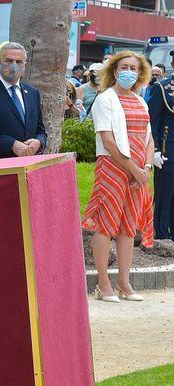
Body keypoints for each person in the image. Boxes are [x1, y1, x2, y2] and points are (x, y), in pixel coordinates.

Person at [86, 51, 156, 303]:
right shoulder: (105, 99)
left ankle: (124, 283)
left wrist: (146, 167)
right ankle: (103, 284)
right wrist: (132, 169)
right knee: (107, 224)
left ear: (140, 73)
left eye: (134, 68)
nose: (129, 72)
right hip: (113, 167)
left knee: (128, 226)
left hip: (139, 170)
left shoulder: (141, 101)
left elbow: (149, 139)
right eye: (124, 67)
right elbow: (108, 141)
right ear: (115, 71)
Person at [149, 61, 174, 241]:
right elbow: (153, 121)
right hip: (168, 151)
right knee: (166, 195)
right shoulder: (162, 87)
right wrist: (155, 150)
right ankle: (163, 235)